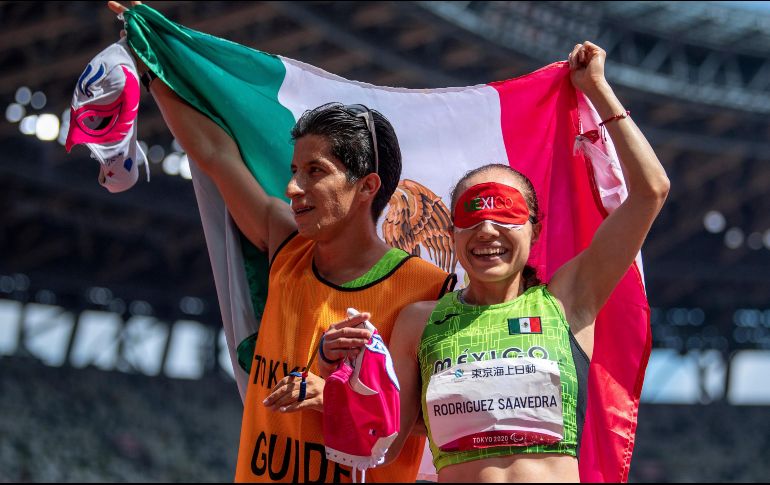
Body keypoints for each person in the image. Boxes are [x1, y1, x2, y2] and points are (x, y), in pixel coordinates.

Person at [106, 2, 455, 482]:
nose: (293, 188)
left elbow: (438, 428)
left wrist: (339, 389)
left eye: (315, 172)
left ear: (367, 187)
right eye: (294, 170)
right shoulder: (284, 242)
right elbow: (211, 153)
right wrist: (153, 61)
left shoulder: (430, 291)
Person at [359, 41, 670, 482]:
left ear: (535, 231)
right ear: (452, 233)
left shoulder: (569, 300)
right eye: (472, 217)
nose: (488, 231)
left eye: (505, 215)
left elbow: (650, 193)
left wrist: (598, 90)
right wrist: (344, 387)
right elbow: (385, 446)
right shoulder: (417, 323)